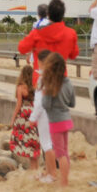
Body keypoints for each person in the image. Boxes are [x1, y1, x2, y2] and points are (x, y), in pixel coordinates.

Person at [17, 0, 80, 91]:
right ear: (63, 15)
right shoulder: (71, 34)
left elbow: (21, 48)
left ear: (49, 14)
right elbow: (74, 54)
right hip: (60, 80)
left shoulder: (37, 33)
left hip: (40, 81)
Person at [41, 51, 75, 186]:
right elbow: (72, 103)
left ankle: (64, 182)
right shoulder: (68, 82)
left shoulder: (51, 84)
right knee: (65, 152)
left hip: (56, 121)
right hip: (67, 119)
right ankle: (65, 179)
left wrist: (44, 94)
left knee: (60, 154)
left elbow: (46, 105)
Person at [28, 49, 58, 182]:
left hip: (44, 114)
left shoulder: (44, 79)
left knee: (46, 144)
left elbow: (40, 102)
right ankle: (49, 171)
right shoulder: (53, 76)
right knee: (49, 143)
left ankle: (52, 174)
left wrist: (33, 117)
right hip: (52, 113)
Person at [9, 64, 40, 169]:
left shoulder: (20, 87)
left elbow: (18, 105)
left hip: (24, 116)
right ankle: (35, 167)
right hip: (34, 115)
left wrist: (13, 119)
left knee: (25, 142)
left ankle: (33, 169)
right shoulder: (35, 87)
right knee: (34, 142)